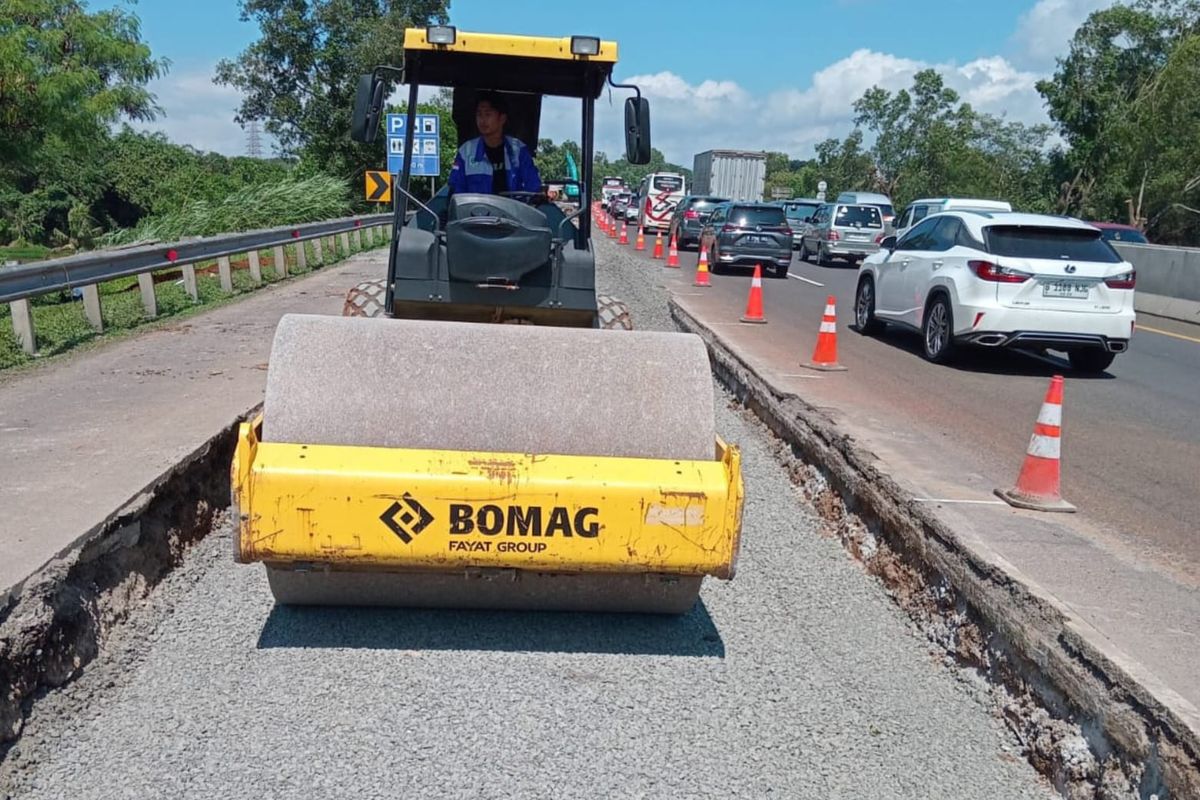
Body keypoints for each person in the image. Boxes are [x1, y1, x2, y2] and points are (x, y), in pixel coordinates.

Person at [448, 91, 543, 197]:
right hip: (476, 208)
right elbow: (456, 191)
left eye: (488, 114)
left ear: (502, 118)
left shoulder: (519, 151)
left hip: (512, 208)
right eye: (479, 114)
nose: (482, 120)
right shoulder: (465, 152)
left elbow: (533, 187)